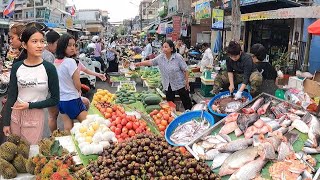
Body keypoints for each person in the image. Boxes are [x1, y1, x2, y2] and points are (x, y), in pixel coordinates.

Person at [2, 26, 60, 144]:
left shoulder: (49, 68)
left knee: (31, 154)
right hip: (16, 114)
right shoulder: (17, 67)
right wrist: (6, 122)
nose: (40, 45)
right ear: (24, 45)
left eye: (42, 41)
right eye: (34, 41)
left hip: (35, 116)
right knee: (14, 153)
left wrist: (30, 105)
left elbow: (55, 99)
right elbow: (12, 96)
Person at [135, 39, 192, 110]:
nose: (164, 49)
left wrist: (187, 82)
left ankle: (192, 115)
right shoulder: (160, 57)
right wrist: (140, 64)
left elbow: (186, 70)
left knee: (187, 103)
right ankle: (172, 117)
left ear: (171, 48)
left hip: (180, 83)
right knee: (170, 104)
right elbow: (151, 62)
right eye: (163, 47)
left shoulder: (178, 57)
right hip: (168, 84)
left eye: (166, 47)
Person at [54, 34, 87, 132]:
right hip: (72, 99)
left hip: (61, 101)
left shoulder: (56, 61)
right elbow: (78, 84)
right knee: (88, 126)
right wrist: (79, 89)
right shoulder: (70, 62)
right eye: (69, 45)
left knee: (68, 128)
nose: (73, 48)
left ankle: (68, 147)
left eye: (74, 45)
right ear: (62, 46)